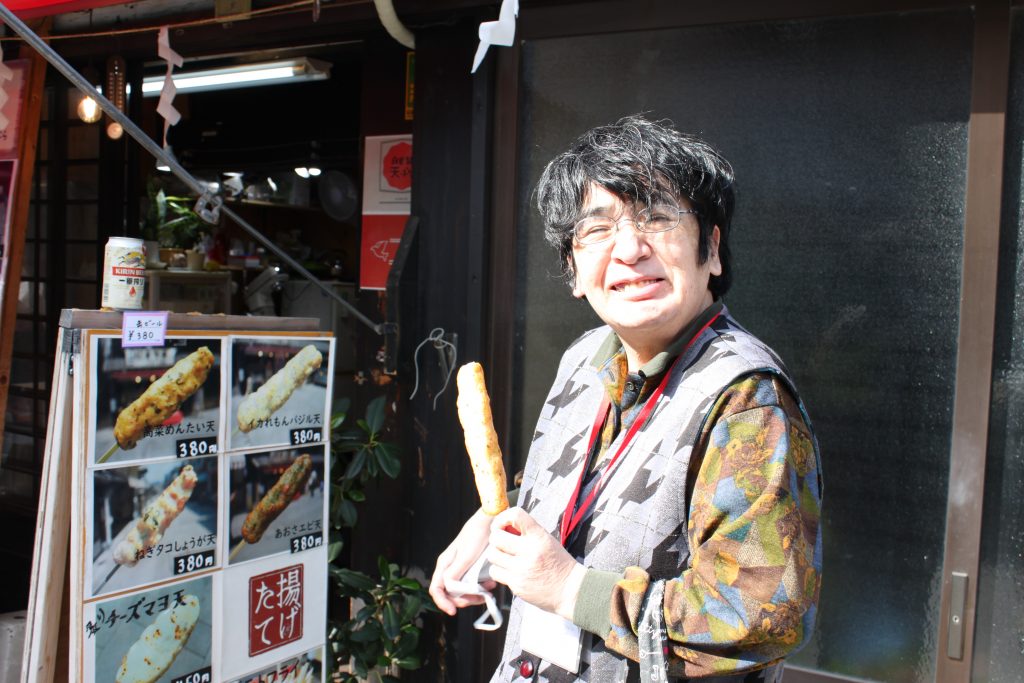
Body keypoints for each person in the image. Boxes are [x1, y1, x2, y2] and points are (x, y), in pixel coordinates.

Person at [430, 115, 823, 682]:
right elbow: (594, 478)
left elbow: (761, 617)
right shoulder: (586, 357)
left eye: (657, 219)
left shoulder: (747, 400)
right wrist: (496, 519)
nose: (630, 249)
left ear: (712, 249)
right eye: (597, 228)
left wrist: (571, 588)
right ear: (572, 269)